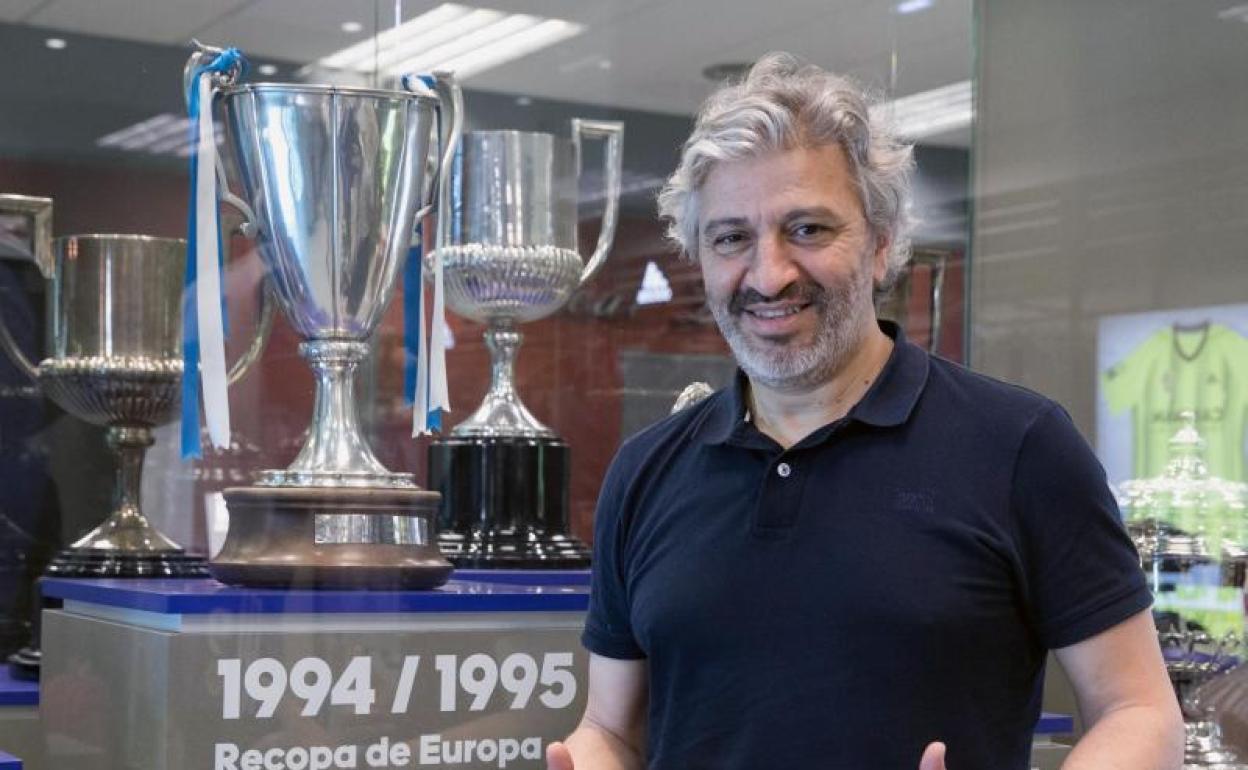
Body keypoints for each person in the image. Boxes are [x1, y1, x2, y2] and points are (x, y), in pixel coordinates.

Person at [546, 53, 1183, 770]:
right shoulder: (647, 470)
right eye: (731, 238)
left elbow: (1140, 712)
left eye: (808, 230)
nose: (768, 274)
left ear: (881, 245)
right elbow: (613, 728)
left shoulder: (1021, 448)